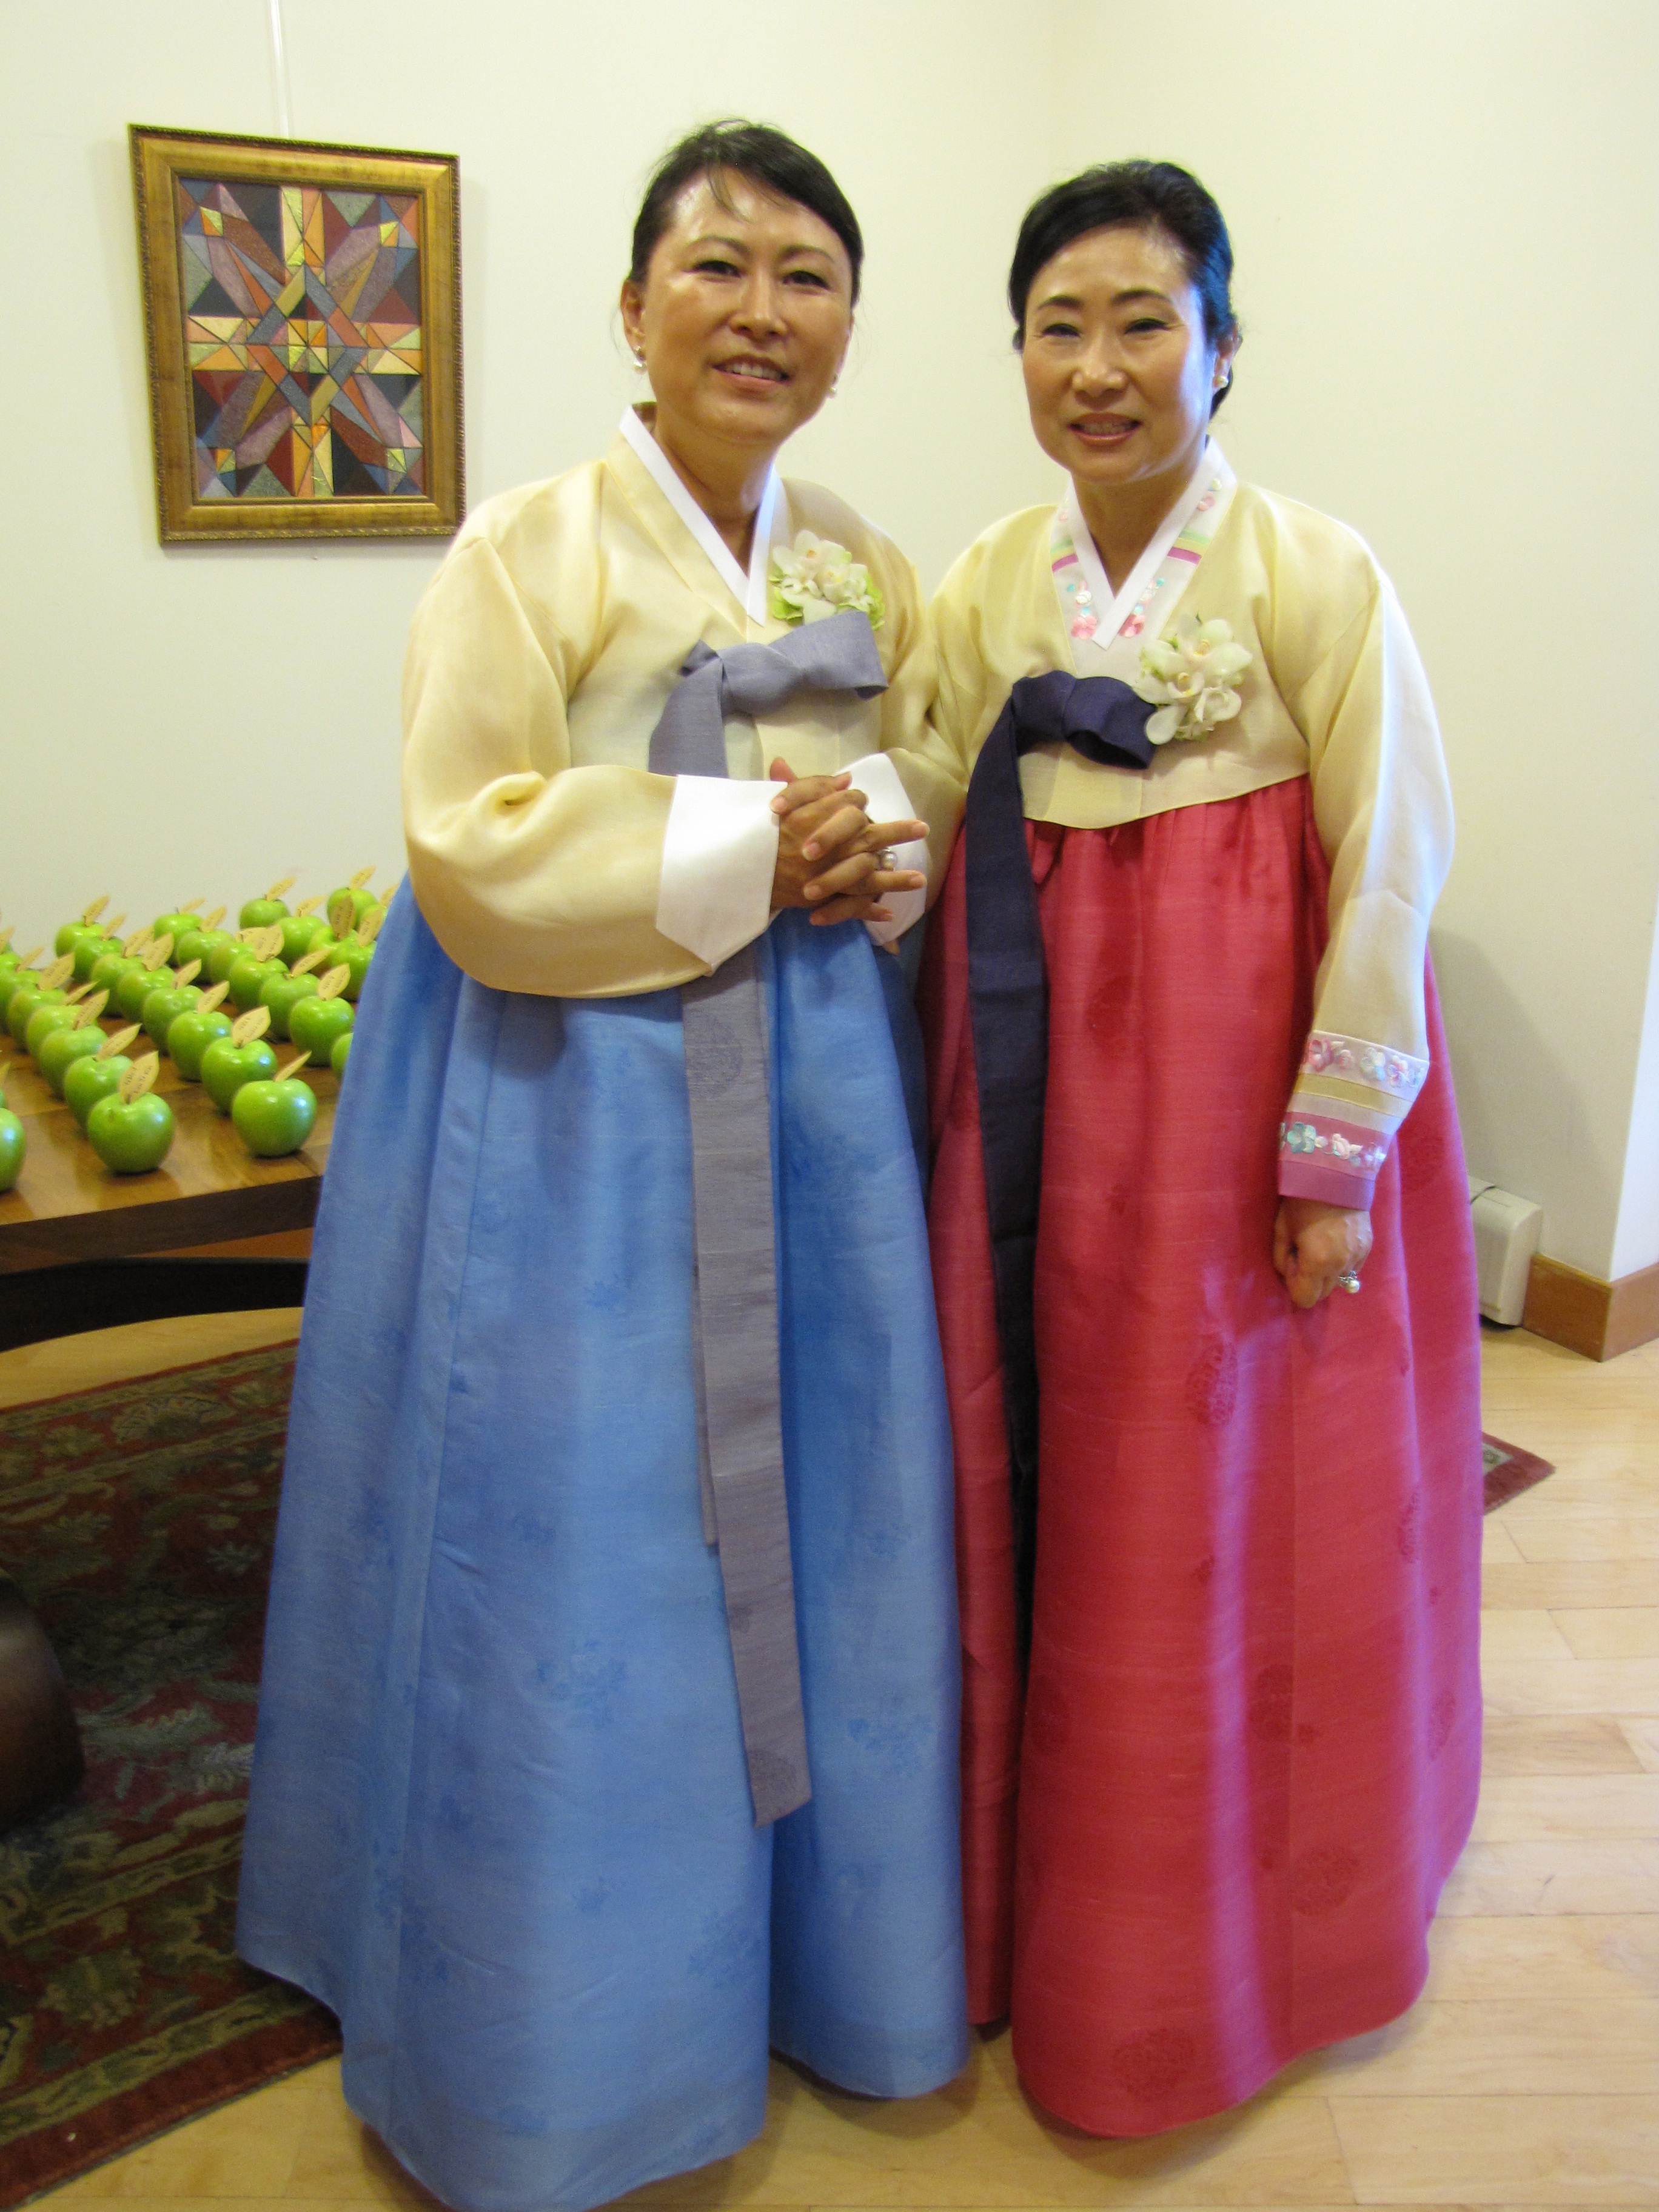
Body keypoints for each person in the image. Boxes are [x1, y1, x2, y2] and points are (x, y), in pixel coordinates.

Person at [238, 121, 968, 2212]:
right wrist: (744, 835)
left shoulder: (858, 556)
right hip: (582, 1105)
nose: (761, 313)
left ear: (848, 325)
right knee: (587, 1535)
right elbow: (469, 833)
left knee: (826, 1496)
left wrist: (873, 833)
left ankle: (830, 1965)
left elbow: (921, 753)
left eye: (808, 276)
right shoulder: (525, 547)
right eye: (718, 268)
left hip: (812, 1095)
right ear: (634, 308)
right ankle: (556, 2038)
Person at [920, 159, 1482, 2135]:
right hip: (1031, 1096)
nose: (1097, 366)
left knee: (1222, 1485)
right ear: (1016, 355)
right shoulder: (986, 581)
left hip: (1231, 1109)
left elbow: (1392, 863)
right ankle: (1038, 1901)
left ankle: (1243, 1934)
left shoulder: (1315, 572)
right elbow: (920, 790)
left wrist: (1332, 1155)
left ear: (1224, 348)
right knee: (1046, 1467)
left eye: (1143, 321)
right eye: (1056, 327)